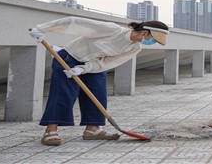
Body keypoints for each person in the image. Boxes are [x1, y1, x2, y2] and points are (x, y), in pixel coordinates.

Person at [28, 16, 169, 146]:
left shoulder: (135, 47)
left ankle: (92, 130)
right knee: (64, 94)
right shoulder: (113, 30)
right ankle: (50, 130)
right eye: (153, 39)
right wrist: (42, 29)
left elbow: (108, 62)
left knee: (98, 93)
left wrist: (83, 69)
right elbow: (74, 22)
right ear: (144, 32)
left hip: (94, 65)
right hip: (69, 57)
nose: (153, 42)